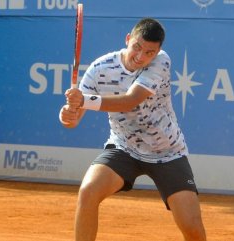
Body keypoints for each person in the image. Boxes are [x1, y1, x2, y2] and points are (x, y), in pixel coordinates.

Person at [59, 18, 207, 241]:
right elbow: (73, 120)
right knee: (88, 191)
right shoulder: (100, 68)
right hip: (124, 149)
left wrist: (84, 101)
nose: (141, 56)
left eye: (149, 52)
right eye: (137, 47)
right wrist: (67, 114)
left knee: (192, 227)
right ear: (128, 39)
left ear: (157, 53)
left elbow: (131, 100)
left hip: (167, 152)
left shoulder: (161, 62)